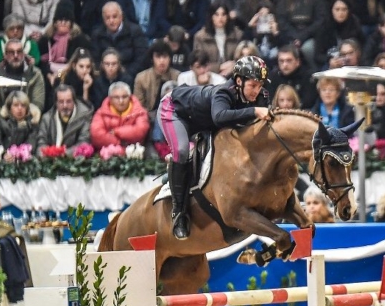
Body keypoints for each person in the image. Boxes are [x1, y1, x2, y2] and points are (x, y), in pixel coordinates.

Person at [157, 55, 271, 239]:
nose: (256, 91)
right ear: (239, 81)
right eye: (253, 85)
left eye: (260, 85)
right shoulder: (223, 92)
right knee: (182, 151)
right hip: (174, 111)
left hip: (202, 120)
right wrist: (254, 111)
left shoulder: (261, 96)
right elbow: (219, 117)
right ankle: (179, 214)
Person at [91, 1, 149, 77]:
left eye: (114, 16)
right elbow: (96, 60)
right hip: (105, 77)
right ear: (103, 20)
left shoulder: (135, 31)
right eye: (107, 18)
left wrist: (126, 75)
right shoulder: (97, 35)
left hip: (131, 76)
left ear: (121, 17)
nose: (111, 21)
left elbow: (141, 58)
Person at [37, 0, 91, 80]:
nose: (63, 23)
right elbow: (40, 63)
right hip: (48, 76)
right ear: (55, 22)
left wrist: (59, 75)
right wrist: (49, 75)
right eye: (60, 20)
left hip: (71, 77)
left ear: (71, 23)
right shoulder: (46, 39)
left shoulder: (80, 40)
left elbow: (81, 62)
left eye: (66, 20)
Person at [90, 81, 150, 149]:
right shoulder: (101, 113)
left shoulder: (140, 112)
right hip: (106, 153)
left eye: (124, 97)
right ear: (110, 99)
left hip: (136, 152)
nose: (121, 101)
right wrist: (119, 143)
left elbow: (140, 131)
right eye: (116, 97)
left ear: (130, 97)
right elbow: (96, 135)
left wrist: (116, 132)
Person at [0, 38, 45, 110]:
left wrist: (21, 112)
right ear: (5, 55)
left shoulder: (35, 74)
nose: (15, 55)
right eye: (11, 52)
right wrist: (3, 114)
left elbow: (38, 104)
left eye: (19, 52)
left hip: (27, 115)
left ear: (24, 54)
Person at [38, 84, 94, 154]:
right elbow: (41, 143)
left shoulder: (85, 116)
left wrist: (62, 154)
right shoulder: (47, 119)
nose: (65, 106)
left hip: (74, 159)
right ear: (56, 103)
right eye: (61, 102)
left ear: (74, 101)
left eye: (68, 101)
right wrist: (48, 154)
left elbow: (83, 143)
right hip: (50, 158)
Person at [134, 41, 180, 126]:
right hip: (148, 117)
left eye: (165, 57)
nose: (162, 61)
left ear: (170, 58)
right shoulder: (141, 78)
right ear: (152, 59)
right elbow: (138, 106)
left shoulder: (178, 76)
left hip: (173, 116)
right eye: (158, 57)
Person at [0, 90, 43, 156]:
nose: (19, 108)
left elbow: (31, 146)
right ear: (9, 107)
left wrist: (18, 154)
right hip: (2, 160)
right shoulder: (0, 122)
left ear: (27, 109)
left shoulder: (32, 125)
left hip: (25, 160)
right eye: (16, 105)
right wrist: (3, 154)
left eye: (23, 105)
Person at [192, 2, 242, 76]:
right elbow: (198, 62)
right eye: (216, 14)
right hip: (208, 76)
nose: (220, 18)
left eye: (223, 14)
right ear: (211, 16)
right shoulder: (200, 37)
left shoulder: (237, 35)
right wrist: (219, 67)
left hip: (234, 75)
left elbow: (243, 57)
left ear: (228, 16)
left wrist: (233, 66)